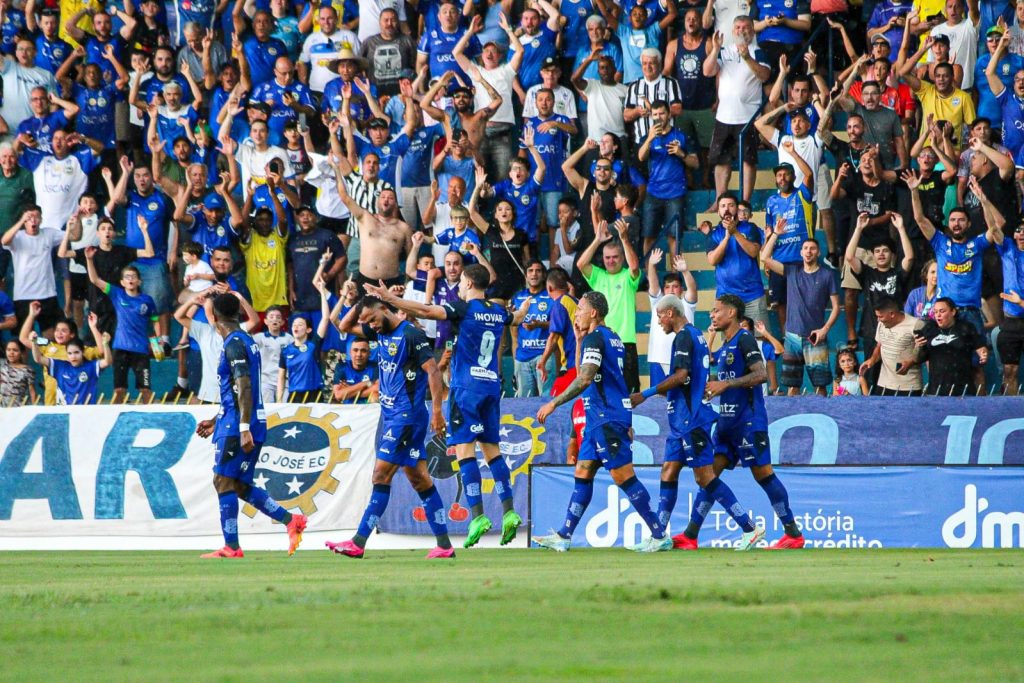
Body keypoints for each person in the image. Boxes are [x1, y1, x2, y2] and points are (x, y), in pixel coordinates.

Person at [365, 264, 522, 548]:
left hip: (466, 388)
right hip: (491, 386)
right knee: (493, 452)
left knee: (465, 452)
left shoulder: (463, 308)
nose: (459, 286)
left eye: (462, 282)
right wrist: (525, 311)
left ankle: (477, 516)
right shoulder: (499, 312)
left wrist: (389, 298)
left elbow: (425, 312)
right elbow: (517, 318)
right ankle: (510, 511)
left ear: (471, 283)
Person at [534, 291, 670, 553]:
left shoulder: (596, 338)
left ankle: (658, 533)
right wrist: (577, 339)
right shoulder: (611, 337)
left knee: (624, 477)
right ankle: (564, 535)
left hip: (605, 417)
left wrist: (553, 403)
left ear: (594, 312)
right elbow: (588, 373)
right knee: (583, 471)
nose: (577, 314)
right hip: (601, 417)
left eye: (580, 309)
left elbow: (584, 379)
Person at [631, 295, 765, 550]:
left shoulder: (684, 336)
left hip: (691, 419)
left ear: (671, 313)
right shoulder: (696, 336)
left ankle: (749, 528)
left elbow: (681, 376)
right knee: (668, 470)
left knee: (705, 478)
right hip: (681, 418)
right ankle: (659, 536)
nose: (658, 322)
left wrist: (644, 394)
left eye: (660, 316)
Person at [326, 296, 453, 559]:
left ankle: (358, 542)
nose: (372, 326)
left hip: (405, 417)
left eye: (373, 319)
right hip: (392, 415)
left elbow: (433, 372)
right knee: (420, 480)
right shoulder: (378, 328)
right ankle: (444, 545)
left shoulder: (411, 335)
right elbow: (345, 326)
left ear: (385, 309)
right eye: (368, 322)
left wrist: (438, 412)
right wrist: (358, 300)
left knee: (380, 475)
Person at [678, 294, 805, 549]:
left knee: (764, 476)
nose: (712, 315)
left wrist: (726, 383)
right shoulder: (724, 346)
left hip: (748, 422)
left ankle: (793, 533)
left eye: (716, 311)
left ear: (731, 313)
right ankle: (690, 535)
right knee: (707, 476)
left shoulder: (745, 340)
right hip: (725, 424)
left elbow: (761, 375)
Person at [194, 293, 307, 558]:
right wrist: (216, 419)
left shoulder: (234, 344)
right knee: (239, 485)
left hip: (239, 425)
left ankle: (231, 546)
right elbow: (238, 389)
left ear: (214, 317)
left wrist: (242, 427)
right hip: (240, 420)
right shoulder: (246, 340)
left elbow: (244, 386)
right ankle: (291, 521)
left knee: (222, 481)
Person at [762, 230, 840, 396]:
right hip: (792, 337)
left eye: (812, 248)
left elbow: (836, 307)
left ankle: (822, 420)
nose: (809, 251)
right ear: (801, 252)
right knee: (792, 386)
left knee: (820, 387)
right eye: (805, 248)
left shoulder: (827, 275)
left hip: (815, 337)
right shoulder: (791, 272)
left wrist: (824, 330)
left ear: (818, 252)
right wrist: (775, 234)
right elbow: (764, 258)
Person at [704, 17, 771, 203]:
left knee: (748, 161)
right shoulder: (724, 51)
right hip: (724, 116)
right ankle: (719, 200)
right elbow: (707, 71)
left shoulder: (759, 52)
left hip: (747, 117)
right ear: (732, 31)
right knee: (721, 161)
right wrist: (715, 49)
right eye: (738, 27)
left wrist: (747, 57)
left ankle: (745, 203)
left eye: (746, 27)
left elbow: (764, 76)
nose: (742, 31)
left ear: (753, 30)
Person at [577, 219, 642, 392]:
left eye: (615, 257)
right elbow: (581, 264)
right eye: (607, 258)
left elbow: (634, 267)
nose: (611, 261)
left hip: (625, 341)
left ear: (622, 258)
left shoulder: (627, 277)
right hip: (601, 340)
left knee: (629, 391)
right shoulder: (599, 276)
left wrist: (624, 239)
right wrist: (597, 239)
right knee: (602, 388)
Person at [84, 255, 159, 404]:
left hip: (141, 351)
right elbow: (95, 280)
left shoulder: (147, 300)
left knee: (145, 390)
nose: (130, 279)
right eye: (127, 277)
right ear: (122, 282)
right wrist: (90, 260)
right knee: (119, 390)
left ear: (139, 281)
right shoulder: (117, 294)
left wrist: (158, 342)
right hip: (120, 349)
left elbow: (155, 321)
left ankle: (152, 418)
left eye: (133, 277)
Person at [703, 193, 769, 326]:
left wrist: (735, 233)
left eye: (731, 205)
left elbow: (753, 252)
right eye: (723, 206)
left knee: (761, 338)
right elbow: (712, 260)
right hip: (726, 298)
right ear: (718, 211)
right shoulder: (714, 233)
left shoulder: (750, 228)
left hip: (752, 295)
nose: (726, 209)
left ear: (737, 209)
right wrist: (727, 237)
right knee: (730, 341)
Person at [28, 312, 111, 405]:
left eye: (63, 330)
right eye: (57, 330)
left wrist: (93, 327)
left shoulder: (80, 349)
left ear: (72, 334)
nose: (59, 333)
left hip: (75, 403)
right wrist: (31, 316)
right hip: (51, 402)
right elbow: (26, 340)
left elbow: (102, 351)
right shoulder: (47, 344)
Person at [916, 297, 988, 395]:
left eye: (942, 311)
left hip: (963, 389)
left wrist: (983, 354)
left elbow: (980, 346)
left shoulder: (966, 327)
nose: (938, 315)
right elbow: (921, 358)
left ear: (953, 312)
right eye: (936, 312)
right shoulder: (929, 328)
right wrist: (919, 346)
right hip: (936, 389)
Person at [859, 296, 927, 395]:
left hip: (909, 386)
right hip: (883, 384)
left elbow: (925, 353)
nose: (878, 320)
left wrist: (911, 362)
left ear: (892, 314)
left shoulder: (917, 325)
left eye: (880, 316)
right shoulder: (882, 323)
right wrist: (872, 360)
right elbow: (879, 345)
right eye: (877, 316)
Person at [510, 260, 555, 397]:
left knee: (546, 400)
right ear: (525, 275)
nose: (534, 274)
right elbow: (514, 334)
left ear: (544, 275)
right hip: (522, 358)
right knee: (524, 403)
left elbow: (557, 325)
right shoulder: (518, 298)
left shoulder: (551, 297)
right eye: (530, 271)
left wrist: (538, 324)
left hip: (544, 355)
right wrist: (515, 361)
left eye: (538, 271)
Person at [995, 222, 1024, 394]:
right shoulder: (1007, 250)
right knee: (1009, 371)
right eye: (1018, 230)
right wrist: (984, 201)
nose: (1022, 233)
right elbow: (993, 228)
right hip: (1011, 323)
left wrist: (1019, 301)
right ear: (1014, 235)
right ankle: (1010, 410)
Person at [252, 305, 293, 404]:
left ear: (283, 322)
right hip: (266, 380)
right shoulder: (258, 338)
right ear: (265, 321)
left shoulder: (289, 338)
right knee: (268, 411)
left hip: (285, 381)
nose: (275, 319)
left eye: (278, 317)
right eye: (271, 317)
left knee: (283, 410)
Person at [331, 338, 379, 404]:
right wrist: (366, 383)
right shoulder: (341, 367)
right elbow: (338, 395)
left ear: (369, 354)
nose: (359, 354)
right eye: (355, 350)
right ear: (350, 353)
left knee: (375, 395)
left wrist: (350, 390)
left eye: (363, 351)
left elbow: (377, 388)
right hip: (348, 408)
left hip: (368, 409)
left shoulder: (376, 367)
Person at [0, 339, 36, 406]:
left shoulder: (27, 370)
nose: (11, 353)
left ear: (21, 352)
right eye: (8, 350)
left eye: (15, 350)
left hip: (18, 408)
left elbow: (32, 391)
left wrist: (34, 408)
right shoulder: (2, 366)